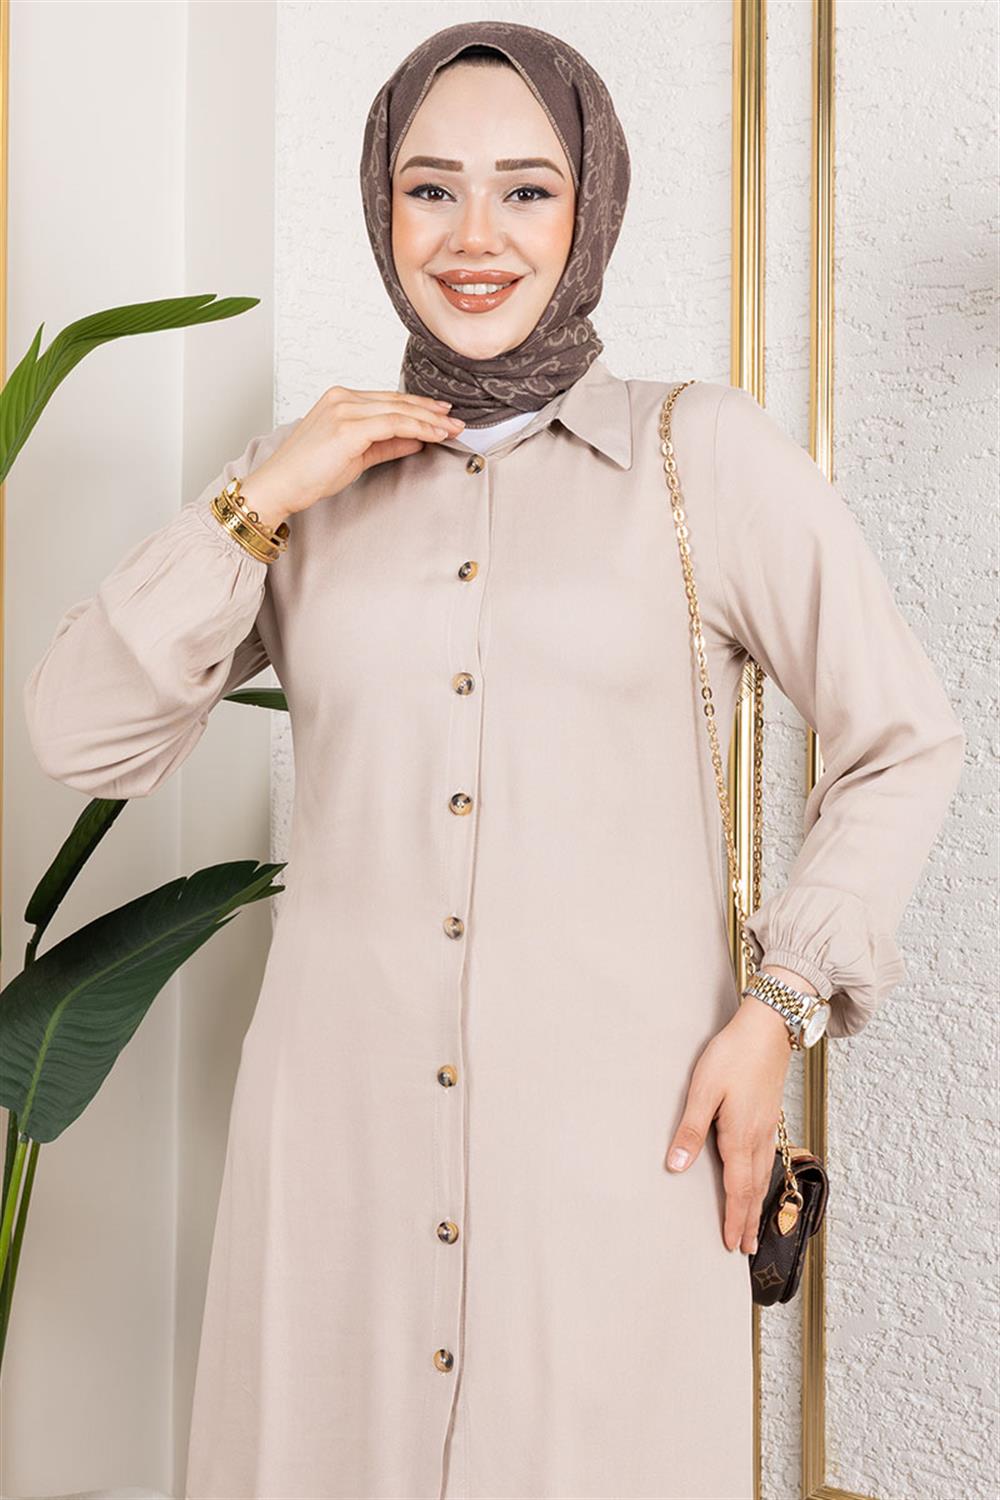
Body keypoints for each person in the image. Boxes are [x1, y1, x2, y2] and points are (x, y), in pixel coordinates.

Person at [23, 19, 965, 1500]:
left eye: (527, 189)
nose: (475, 237)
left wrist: (777, 1008)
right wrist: (258, 498)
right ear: (380, 206)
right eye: (430, 189)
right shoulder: (307, 486)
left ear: (592, 204)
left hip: (614, 1156)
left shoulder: (700, 455)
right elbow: (80, 733)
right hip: (335, 1165)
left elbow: (903, 740)